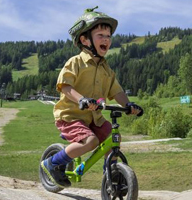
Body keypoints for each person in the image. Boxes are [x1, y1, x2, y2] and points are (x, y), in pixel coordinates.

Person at [41, 6, 143, 188]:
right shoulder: (76, 62)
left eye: (108, 36)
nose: (106, 40)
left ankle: (110, 175)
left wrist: (129, 105)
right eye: (101, 35)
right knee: (92, 141)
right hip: (71, 116)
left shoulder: (107, 70)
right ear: (85, 39)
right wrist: (81, 100)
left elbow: (117, 92)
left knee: (113, 138)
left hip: (94, 119)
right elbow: (65, 86)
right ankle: (53, 163)